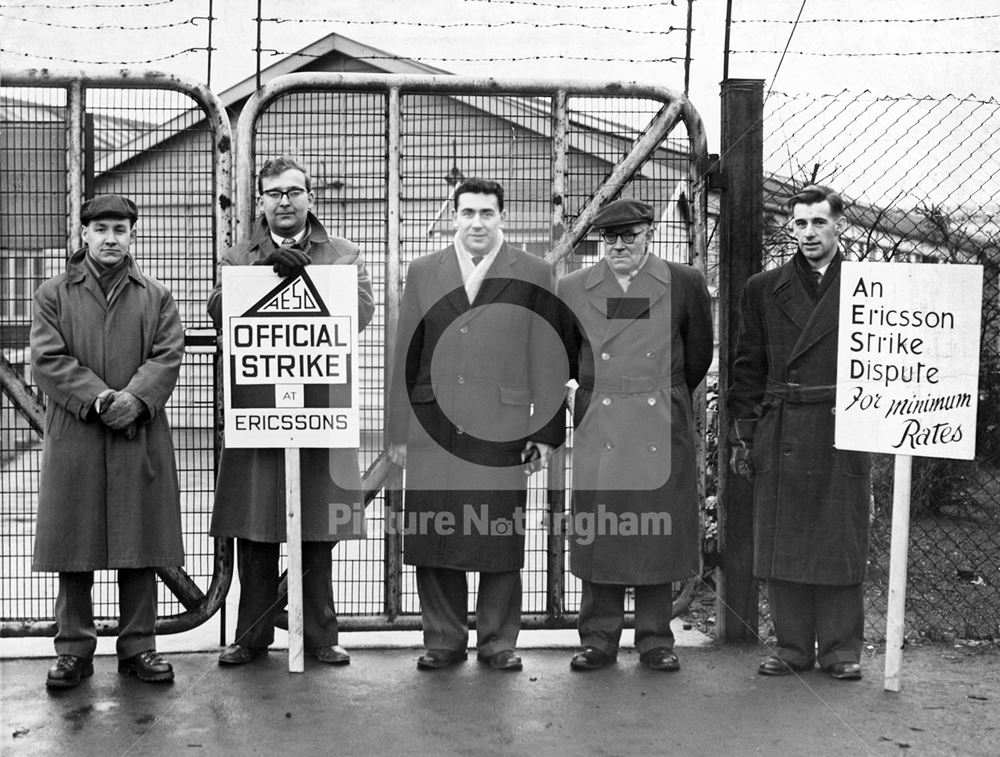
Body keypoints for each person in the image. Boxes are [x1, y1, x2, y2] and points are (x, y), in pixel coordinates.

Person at [387, 177, 566, 671]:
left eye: (487, 213)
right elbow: (406, 351)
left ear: (502, 218)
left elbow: (549, 354)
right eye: (467, 213)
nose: (477, 223)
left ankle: (497, 643)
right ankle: (442, 639)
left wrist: (546, 430)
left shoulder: (534, 271)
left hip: (501, 425)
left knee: (499, 532)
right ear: (454, 217)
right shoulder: (424, 270)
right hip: (432, 427)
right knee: (434, 529)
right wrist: (397, 432)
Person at [208, 155, 375, 667]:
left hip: (321, 405)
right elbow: (219, 309)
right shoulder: (240, 256)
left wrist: (311, 280)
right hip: (259, 406)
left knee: (318, 531)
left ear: (310, 197)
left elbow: (363, 310)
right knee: (257, 530)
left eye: (294, 192)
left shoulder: (342, 254)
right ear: (260, 201)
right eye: (274, 193)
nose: (285, 201)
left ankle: (321, 634)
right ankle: (251, 636)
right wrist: (262, 276)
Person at [31, 194, 185, 688]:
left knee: (140, 541)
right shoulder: (52, 294)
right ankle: (74, 649)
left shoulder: (156, 295)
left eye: (120, 229)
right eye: (101, 229)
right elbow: (47, 360)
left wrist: (135, 401)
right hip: (77, 433)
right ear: (84, 235)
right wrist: (101, 401)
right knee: (73, 545)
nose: (111, 238)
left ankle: (139, 646)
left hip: (137, 431)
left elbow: (167, 355)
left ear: (133, 235)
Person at [556, 198, 713, 672]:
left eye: (630, 235)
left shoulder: (684, 283)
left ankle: (655, 640)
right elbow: (565, 353)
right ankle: (598, 639)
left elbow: (697, 356)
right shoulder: (573, 287)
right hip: (601, 419)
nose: (619, 246)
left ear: (650, 233)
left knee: (656, 528)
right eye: (610, 238)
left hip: (658, 419)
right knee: (603, 527)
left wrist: (662, 395)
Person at [728, 184, 870, 681]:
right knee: (782, 539)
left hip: (845, 423)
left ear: (839, 226)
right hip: (783, 422)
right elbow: (747, 366)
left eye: (819, 222)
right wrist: (745, 433)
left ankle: (839, 650)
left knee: (839, 540)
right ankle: (791, 647)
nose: (809, 233)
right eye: (800, 224)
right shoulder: (763, 288)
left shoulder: (870, 285)